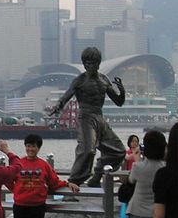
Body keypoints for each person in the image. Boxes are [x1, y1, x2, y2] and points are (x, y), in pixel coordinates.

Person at [46, 46, 126, 186]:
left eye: (93, 62)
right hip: (86, 117)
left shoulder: (104, 79)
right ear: (83, 64)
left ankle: (97, 175)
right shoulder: (79, 80)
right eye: (87, 63)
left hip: (99, 117)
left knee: (118, 151)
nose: (90, 66)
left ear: (99, 63)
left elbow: (118, 102)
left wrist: (122, 91)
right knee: (87, 150)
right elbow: (66, 96)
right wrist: (58, 106)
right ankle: (73, 183)